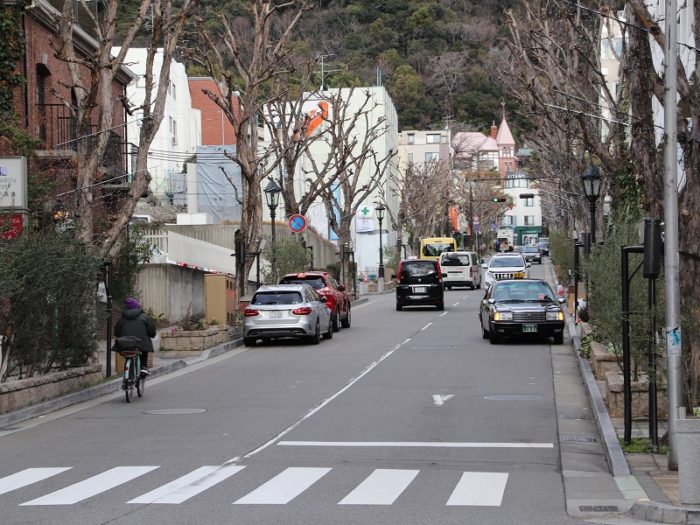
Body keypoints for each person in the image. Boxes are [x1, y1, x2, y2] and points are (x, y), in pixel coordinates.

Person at [114, 297, 156, 376]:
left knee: (128, 352)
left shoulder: (122, 318)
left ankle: (127, 374)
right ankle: (143, 367)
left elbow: (117, 332)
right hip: (141, 343)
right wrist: (152, 335)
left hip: (125, 343)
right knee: (144, 351)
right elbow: (151, 330)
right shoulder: (144, 316)